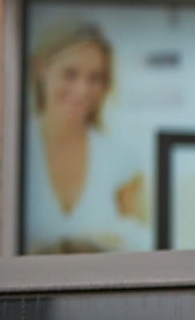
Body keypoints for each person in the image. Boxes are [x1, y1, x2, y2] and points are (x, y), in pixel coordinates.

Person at [24, 22, 149, 253]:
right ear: (42, 69)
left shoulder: (122, 158)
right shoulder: (12, 145)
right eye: (70, 74)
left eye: (95, 78)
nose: (82, 90)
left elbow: (143, 244)